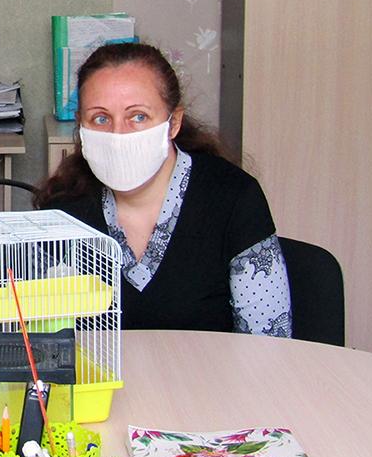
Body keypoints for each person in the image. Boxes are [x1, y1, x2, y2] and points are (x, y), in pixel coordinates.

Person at [36, 42, 292, 337]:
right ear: (81, 125)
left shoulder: (233, 197)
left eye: (138, 116)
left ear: (174, 123)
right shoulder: (62, 208)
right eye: (101, 119)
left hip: (209, 369)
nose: (118, 135)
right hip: (98, 370)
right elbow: (41, 336)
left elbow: (268, 341)